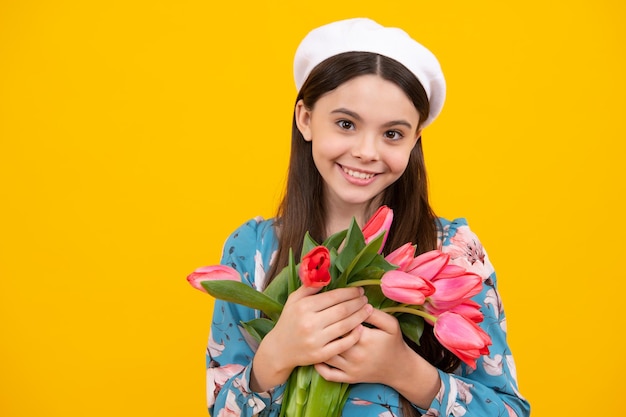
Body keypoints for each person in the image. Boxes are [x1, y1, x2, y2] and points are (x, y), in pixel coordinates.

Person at [202, 18, 530, 417]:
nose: (366, 151)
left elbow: (511, 410)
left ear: (414, 141)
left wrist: (406, 371)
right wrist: (275, 357)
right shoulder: (252, 250)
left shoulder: (452, 252)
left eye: (392, 133)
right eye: (345, 124)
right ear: (305, 119)